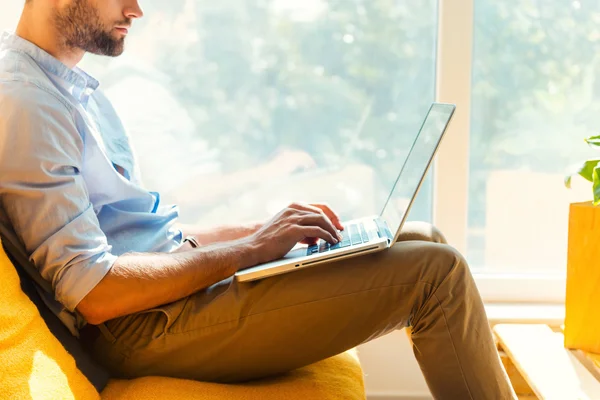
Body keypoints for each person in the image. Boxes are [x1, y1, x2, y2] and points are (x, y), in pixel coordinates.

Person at [0, 1, 516, 398]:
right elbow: (94, 293)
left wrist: (263, 229)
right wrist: (251, 251)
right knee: (436, 273)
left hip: (165, 293)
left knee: (419, 236)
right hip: (140, 327)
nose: (137, 9)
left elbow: (150, 239)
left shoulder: (68, 88)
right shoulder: (28, 101)